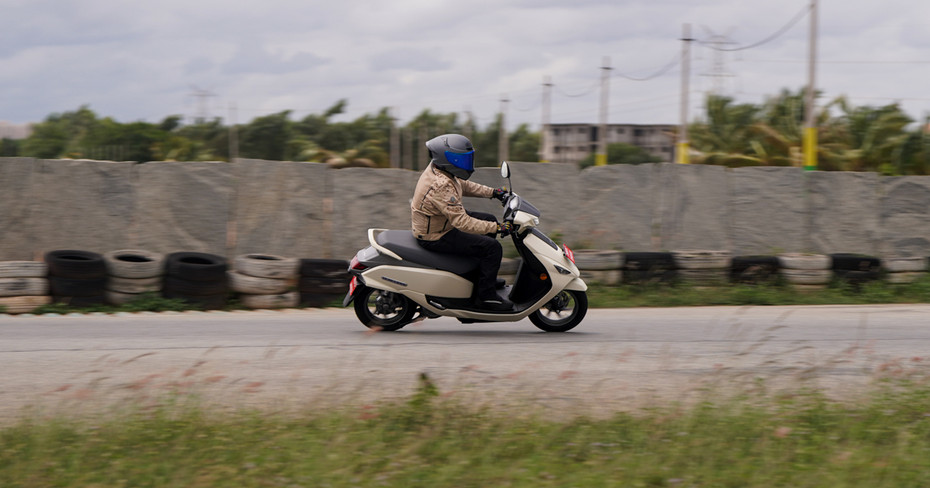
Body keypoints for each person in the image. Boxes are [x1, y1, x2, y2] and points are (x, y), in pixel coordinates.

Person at [411, 134, 513, 311]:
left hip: (440, 222)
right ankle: (486, 297)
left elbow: (463, 185)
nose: (467, 163)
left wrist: (494, 193)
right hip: (436, 235)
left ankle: (483, 278)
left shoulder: (441, 170)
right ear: (449, 159)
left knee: (488, 219)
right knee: (493, 248)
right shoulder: (440, 185)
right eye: (462, 159)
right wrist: (497, 228)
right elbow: (462, 223)